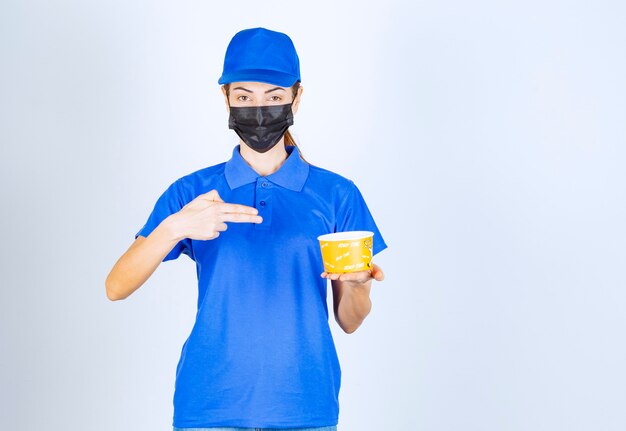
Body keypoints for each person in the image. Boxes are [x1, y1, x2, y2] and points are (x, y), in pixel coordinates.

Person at [105, 27, 388, 431]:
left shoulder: (337, 194)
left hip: (304, 407)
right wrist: (174, 227)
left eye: (274, 96)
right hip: (208, 406)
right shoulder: (193, 192)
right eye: (244, 97)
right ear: (226, 99)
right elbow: (116, 287)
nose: (259, 109)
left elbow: (350, 320)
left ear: (297, 96)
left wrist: (359, 285)